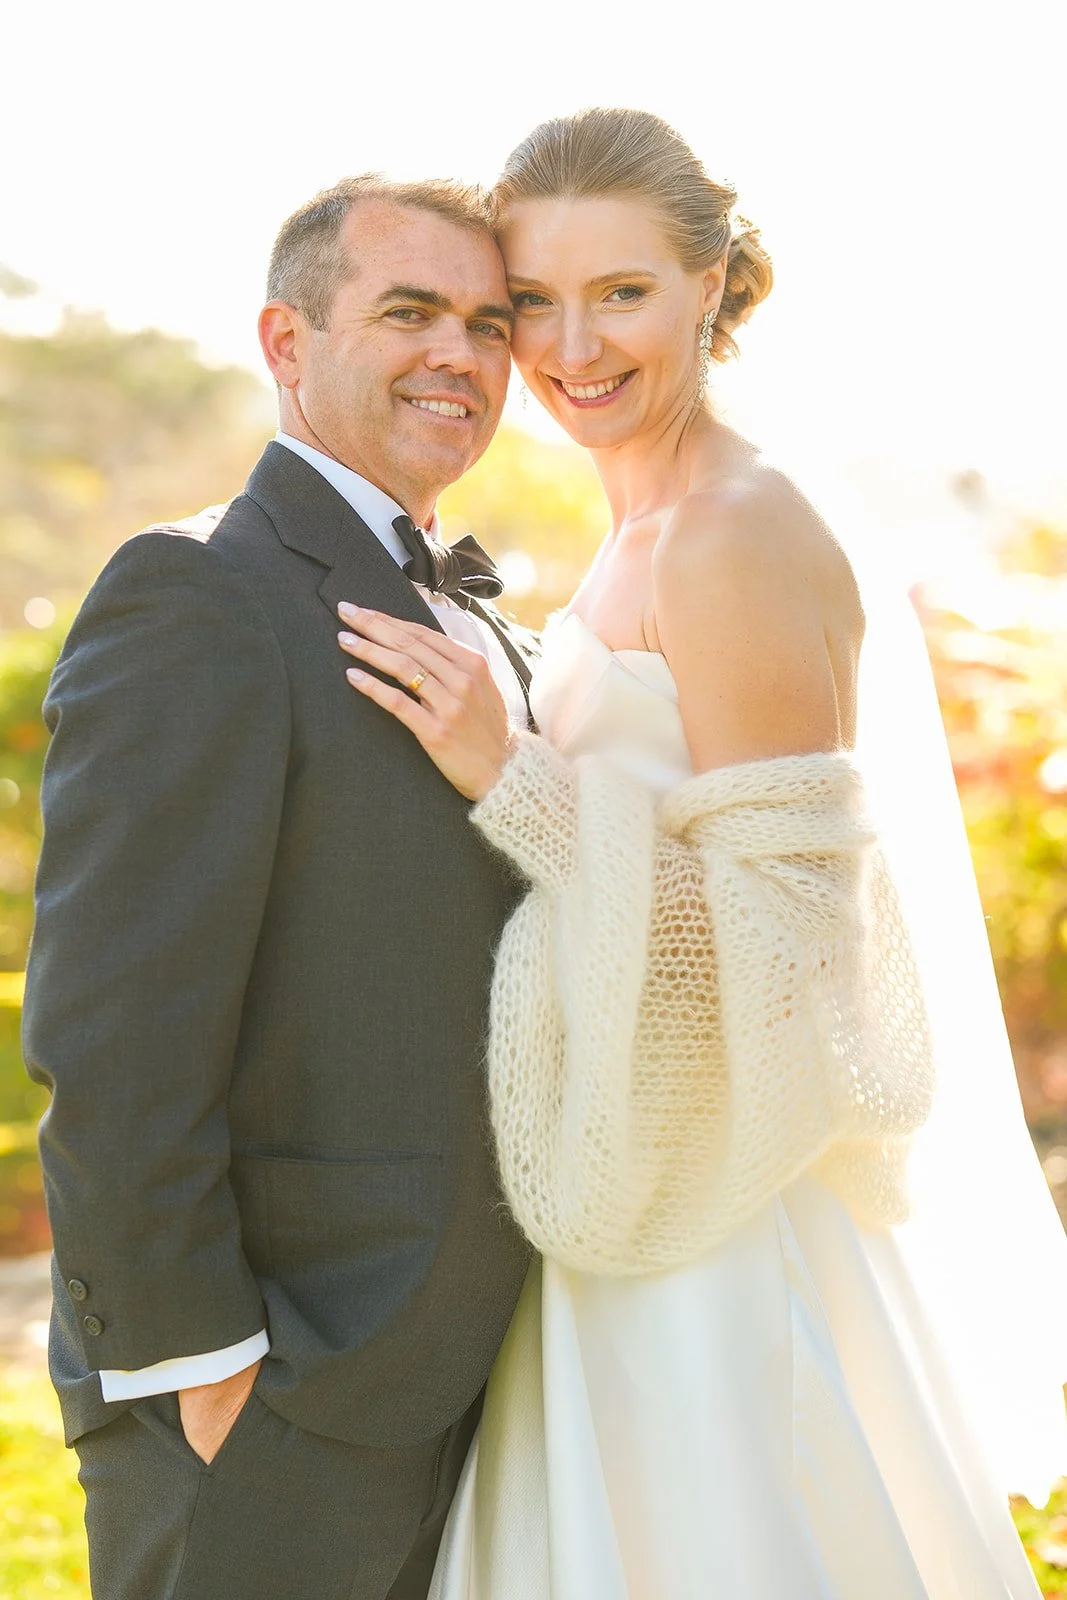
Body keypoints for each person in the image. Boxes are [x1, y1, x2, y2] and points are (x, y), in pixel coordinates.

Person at [336, 108, 1067, 1597]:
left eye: (622, 293)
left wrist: (512, 778)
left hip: (717, 1247)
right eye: (533, 300)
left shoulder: (732, 532)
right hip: (632, 1177)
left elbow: (788, 955)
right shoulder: (637, 527)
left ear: (710, 283)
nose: (571, 347)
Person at [23, 175, 539, 1600]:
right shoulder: (197, 592)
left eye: (488, 323)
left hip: (478, 1378)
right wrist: (205, 1371)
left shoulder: (489, 625)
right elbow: (114, 1027)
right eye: (410, 311)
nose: (458, 354)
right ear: (286, 342)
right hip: (281, 1392)